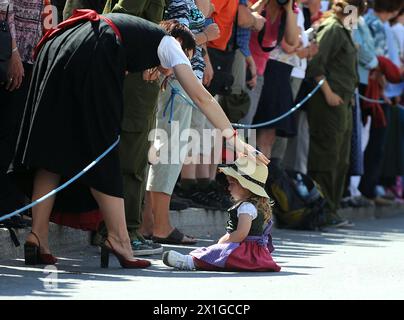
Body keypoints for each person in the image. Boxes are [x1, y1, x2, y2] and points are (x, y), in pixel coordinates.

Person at [11, 11, 268, 268]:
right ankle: (119, 239)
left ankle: (38, 236)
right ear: (181, 46)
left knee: (54, 147)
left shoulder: (139, 36)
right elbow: (203, 98)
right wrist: (235, 139)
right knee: (103, 149)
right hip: (94, 47)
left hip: (63, 43)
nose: (173, 73)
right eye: (181, 66)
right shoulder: (171, 44)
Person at [141, 0, 220, 245]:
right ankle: (161, 226)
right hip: (176, 83)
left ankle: (148, 223)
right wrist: (206, 35)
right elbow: (177, 44)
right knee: (167, 154)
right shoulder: (178, 1)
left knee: (163, 153)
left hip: (179, 83)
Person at [162, 156, 281, 272]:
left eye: (232, 184)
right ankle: (194, 260)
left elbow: (241, 234)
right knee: (217, 252)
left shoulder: (246, 207)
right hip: (253, 252)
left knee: (217, 252)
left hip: (245, 251)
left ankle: (189, 261)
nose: (228, 188)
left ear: (245, 187)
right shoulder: (254, 206)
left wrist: (224, 240)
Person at [305, 0, 359, 227]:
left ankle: (332, 209)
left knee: (340, 159)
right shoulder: (333, 29)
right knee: (326, 156)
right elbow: (316, 64)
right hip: (329, 101)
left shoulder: (344, 30)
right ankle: (323, 210)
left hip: (343, 103)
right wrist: (327, 92)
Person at [0, 0, 45, 225]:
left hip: (29, 57)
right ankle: (5, 208)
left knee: (15, 135)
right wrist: (13, 53)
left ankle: (12, 206)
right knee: (7, 133)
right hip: (11, 58)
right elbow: (4, 9)